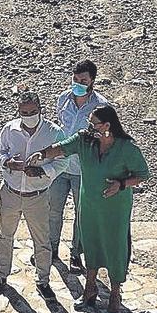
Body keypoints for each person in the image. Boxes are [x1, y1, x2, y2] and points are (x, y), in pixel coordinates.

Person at [30, 105, 149, 313]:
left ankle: (114, 294)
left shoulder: (126, 147)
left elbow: (142, 174)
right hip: (89, 206)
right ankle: (90, 289)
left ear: (107, 125)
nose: (89, 127)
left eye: (93, 123)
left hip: (115, 209)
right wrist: (42, 154)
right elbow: (61, 148)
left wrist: (121, 184)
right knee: (91, 244)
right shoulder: (84, 141)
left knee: (115, 247)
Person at [0, 87, 62, 301]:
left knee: (42, 240)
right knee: (5, 236)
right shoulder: (10, 129)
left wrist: (43, 171)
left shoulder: (53, 132)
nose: (28, 116)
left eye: (32, 112)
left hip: (37, 195)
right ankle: (1, 276)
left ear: (40, 109)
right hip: (10, 193)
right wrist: (7, 162)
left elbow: (63, 160)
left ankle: (43, 280)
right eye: (24, 113)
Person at [50, 59, 111, 274]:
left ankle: (76, 253)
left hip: (83, 168)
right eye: (75, 79)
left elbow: (106, 137)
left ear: (92, 80)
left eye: (82, 80)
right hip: (59, 165)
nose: (77, 83)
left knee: (81, 212)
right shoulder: (63, 99)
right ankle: (51, 249)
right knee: (53, 209)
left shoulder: (101, 106)